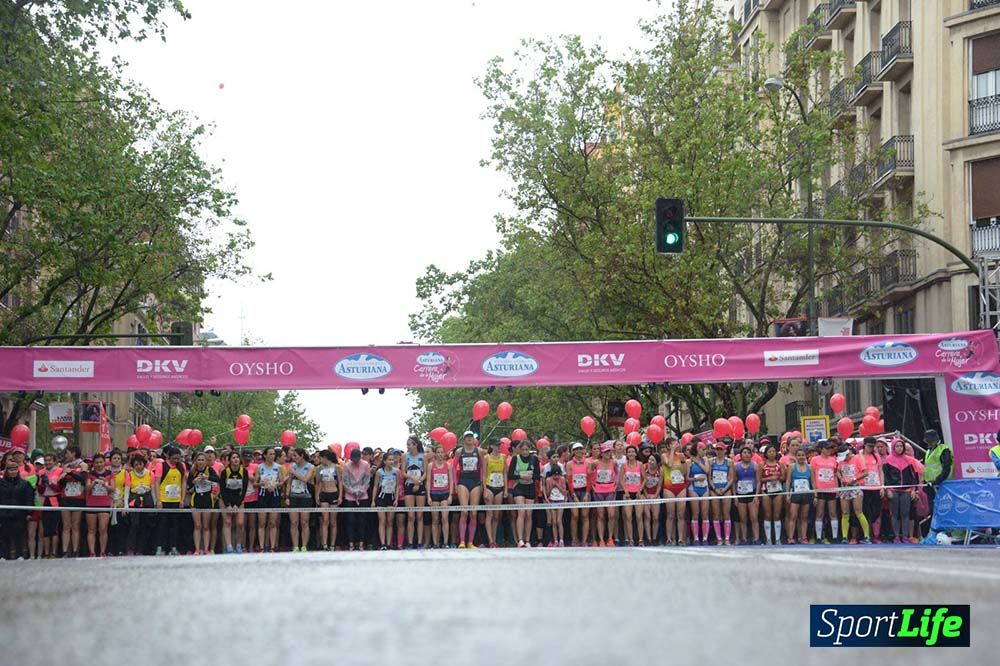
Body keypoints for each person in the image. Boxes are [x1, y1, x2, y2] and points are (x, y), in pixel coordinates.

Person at [883, 439, 920, 544]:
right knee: (894, 514)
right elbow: (886, 477)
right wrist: (888, 490)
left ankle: (905, 536)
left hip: (906, 490)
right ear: (893, 448)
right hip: (893, 490)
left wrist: (914, 490)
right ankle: (896, 537)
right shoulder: (887, 460)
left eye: (901, 446)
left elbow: (914, 477)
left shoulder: (909, 460)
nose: (899, 448)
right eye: (897, 446)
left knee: (905, 514)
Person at [454, 431, 485, 549]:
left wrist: (482, 482)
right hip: (463, 481)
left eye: (471, 436)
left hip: (475, 482)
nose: (469, 438)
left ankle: (470, 542)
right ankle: (462, 541)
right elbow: (453, 468)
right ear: (464, 439)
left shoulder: (479, 451)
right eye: (467, 437)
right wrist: (455, 484)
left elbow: (483, 467)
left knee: (473, 513)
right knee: (464, 512)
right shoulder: (459, 451)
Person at [0, 455, 35, 559]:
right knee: (4, 536)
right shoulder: (1, 483)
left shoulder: (25, 484)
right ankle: (3, 556)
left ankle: (19, 555)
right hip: (4, 514)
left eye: (15, 470)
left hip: (19, 514)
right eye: (11, 470)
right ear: (6, 471)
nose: (13, 472)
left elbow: (29, 498)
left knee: (19, 535)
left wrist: (29, 512)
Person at [508, 439, 540, 548]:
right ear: (520, 450)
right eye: (523, 450)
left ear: (530, 450)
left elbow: (538, 475)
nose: (525, 452)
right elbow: (510, 475)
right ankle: (520, 540)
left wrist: (531, 476)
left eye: (527, 450)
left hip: (530, 487)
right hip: (519, 487)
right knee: (521, 512)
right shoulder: (515, 459)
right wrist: (521, 476)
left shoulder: (534, 459)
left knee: (528, 514)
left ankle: (528, 540)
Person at [836, 443, 871, 544]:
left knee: (858, 512)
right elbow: (837, 471)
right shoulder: (841, 461)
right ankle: (844, 536)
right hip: (845, 488)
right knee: (845, 513)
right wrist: (841, 478)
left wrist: (854, 479)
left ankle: (866, 536)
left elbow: (865, 472)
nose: (844, 459)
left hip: (855, 487)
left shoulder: (857, 458)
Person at [156, 446, 187, 556]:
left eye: (178, 459)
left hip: (176, 499)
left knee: (174, 525)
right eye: (174, 458)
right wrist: (158, 500)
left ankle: (173, 547)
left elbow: (183, 482)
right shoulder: (161, 465)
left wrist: (182, 499)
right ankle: (160, 547)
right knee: (162, 524)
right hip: (164, 499)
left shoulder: (181, 466)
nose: (176, 461)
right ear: (168, 457)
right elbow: (157, 483)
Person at [187, 452, 220, 555]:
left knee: (206, 526)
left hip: (207, 499)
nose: (200, 462)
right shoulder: (193, 471)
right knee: (197, 525)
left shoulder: (209, 470)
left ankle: (206, 549)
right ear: (196, 461)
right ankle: (197, 549)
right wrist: (194, 480)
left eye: (202, 460)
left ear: (206, 461)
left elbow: (217, 479)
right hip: (196, 499)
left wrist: (207, 478)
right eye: (199, 460)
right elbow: (188, 484)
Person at [254, 447, 285, 553]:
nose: (272, 456)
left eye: (273, 454)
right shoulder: (259, 467)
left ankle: (272, 547)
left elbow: (281, 482)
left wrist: (275, 484)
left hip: (274, 495)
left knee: (272, 522)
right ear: (265, 455)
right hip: (262, 495)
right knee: (262, 522)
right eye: (270, 454)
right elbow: (255, 483)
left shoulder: (279, 467)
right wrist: (261, 484)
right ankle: (262, 547)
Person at [125, 453, 156, 555]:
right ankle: (130, 549)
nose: (138, 466)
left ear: (144, 464)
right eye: (136, 465)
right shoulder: (130, 474)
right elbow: (127, 491)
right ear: (133, 465)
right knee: (134, 525)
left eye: (140, 464)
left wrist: (155, 503)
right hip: (134, 500)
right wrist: (126, 505)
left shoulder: (150, 473)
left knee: (145, 526)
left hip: (147, 500)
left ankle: (140, 550)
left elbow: (153, 490)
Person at [59, 445, 87, 557]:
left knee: (75, 526)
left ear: (74, 453)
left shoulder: (83, 465)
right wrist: (64, 474)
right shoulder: (65, 466)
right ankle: (65, 551)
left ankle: (75, 550)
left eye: (68, 453)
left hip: (78, 497)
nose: (66, 455)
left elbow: (83, 478)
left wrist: (70, 473)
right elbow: (60, 483)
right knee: (66, 526)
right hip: (66, 497)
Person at [342, 446, 372, 551]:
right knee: (350, 520)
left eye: (357, 459)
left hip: (363, 495)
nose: (355, 461)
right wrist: (352, 492)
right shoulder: (346, 466)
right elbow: (345, 481)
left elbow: (367, 480)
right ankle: (351, 543)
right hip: (350, 496)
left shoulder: (366, 465)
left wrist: (361, 492)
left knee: (362, 520)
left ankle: (361, 543)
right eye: (353, 459)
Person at [84, 453, 114, 557]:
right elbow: (86, 488)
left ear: (104, 463)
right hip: (91, 503)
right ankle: (92, 552)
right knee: (91, 529)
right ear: (93, 464)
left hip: (104, 503)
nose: (99, 464)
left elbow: (112, 489)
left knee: (103, 528)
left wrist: (105, 484)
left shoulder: (109, 473)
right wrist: (94, 483)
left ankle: (102, 551)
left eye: (101, 462)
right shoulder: (90, 474)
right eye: (96, 462)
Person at [810, 440, 840, 544]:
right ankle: (818, 537)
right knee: (820, 513)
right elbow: (813, 477)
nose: (828, 450)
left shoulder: (833, 460)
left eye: (830, 448)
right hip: (820, 489)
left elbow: (835, 475)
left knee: (833, 513)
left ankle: (834, 537)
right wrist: (815, 492)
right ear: (821, 449)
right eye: (826, 448)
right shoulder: (814, 460)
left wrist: (837, 489)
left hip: (831, 489)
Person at [589, 441, 618, 548]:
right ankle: (601, 539)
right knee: (600, 515)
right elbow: (590, 475)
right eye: (605, 452)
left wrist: (615, 486)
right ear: (601, 453)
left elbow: (617, 474)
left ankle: (610, 538)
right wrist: (593, 486)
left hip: (610, 490)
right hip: (598, 490)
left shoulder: (613, 462)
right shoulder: (595, 463)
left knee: (611, 515)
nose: (607, 454)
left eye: (609, 452)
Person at [373, 449, 403, 550]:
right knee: (382, 521)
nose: (391, 461)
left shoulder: (396, 472)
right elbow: (376, 487)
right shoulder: (379, 472)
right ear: (385, 461)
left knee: (390, 521)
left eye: (392, 460)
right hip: (381, 498)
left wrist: (396, 499)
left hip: (391, 498)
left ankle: (388, 543)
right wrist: (373, 501)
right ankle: (383, 543)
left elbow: (397, 486)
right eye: (389, 460)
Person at [921, 429, 952, 524]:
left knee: (942, 508)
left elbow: (946, 468)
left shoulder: (943, 450)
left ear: (935, 440)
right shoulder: (928, 451)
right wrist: (924, 481)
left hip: (940, 485)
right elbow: (927, 468)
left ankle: (944, 529)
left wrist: (937, 481)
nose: (928, 443)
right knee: (932, 508)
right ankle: (935, 530)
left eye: (930, 441)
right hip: (930, 485)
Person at [219, 452, 248, 554]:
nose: (236, 459)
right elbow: (222, 490)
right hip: (226, 499)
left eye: (237, 458)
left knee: (240, 523)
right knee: (227, 522)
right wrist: (228, 505)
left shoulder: (244, 472)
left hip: (239, 500)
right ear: (229, 460)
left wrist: (237, 504)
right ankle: (229, 546)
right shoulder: (224, 472)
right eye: (233, 458)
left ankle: (239, 545)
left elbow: (244, 490)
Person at [287, 448, 315, 553]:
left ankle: (304, 546)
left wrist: (294, 472)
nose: (294, 458)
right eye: (293, 456)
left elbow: (306, 479)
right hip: (294, 497)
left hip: (305, 497)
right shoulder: (292, 467)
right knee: (294, 522)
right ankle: (295, 546)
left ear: (302, 455)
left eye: (295, 456)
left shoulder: (310, 466)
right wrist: (287, 496)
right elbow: (289, 482)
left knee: (304, 522)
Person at [661, 441, 688, 546]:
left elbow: (684, 472)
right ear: (668, 446)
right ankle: (669, 538)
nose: (676, 445)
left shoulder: (680, 455)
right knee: (671, 514)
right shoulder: (664, 455)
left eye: (677, 443)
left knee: (681, 514)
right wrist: (672, 450)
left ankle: (680, 538)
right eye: (673, 444)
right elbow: (669, 464)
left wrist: (683, 462)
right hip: (669, 487)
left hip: (680, 486)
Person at [36, 452, 62, 558]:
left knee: (54, 528)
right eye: (46, 460)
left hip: (56, 500)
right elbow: (40, 490)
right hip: (45, 500)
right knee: (46, 528)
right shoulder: (41, 472)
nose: (47, 462)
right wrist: (42, 483)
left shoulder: (59, 471)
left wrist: (50, 483)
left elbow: (59, 488)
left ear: (55, 461)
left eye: (50, 460)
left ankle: (54, 552)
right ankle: (47, 553)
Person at [785, 447, 813, 544]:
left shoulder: (809, 467)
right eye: (799, 455)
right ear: (796, 457)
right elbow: (788, 481)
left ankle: (803, 537)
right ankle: (791, 537)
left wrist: (815, 495)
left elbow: (812, 482)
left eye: (803, 455)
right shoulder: (792, 467)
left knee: (804, 516)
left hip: (806, 494)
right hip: (795, 494)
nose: (801, 457)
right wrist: (788, 494)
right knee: (793, 516)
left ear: (805, 456)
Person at [402, 436, 427, 549]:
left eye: (409, 444)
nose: (407, 447)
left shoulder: (423, 456)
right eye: (407, 444)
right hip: (409, 485)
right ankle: (410, 542)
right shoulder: (405, 456)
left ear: (415, 445)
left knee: (420, 515)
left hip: (420, 485)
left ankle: (420, 542)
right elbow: (403, 472)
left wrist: (419, 482)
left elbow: (425, 473)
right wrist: (413, 480)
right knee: (411, 515)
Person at [426, 444, 453, 548]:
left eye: (442, 452)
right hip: (434, 493)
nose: (440, 454)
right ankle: (435, 543)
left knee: (445, 518)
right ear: (435, 454)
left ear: (444, 454)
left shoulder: (448, 465)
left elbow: (451, 481)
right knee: (435, 519)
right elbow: (428, 481)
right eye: (438, 452)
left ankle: (445, 542)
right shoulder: (430, 466)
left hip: (445, 493)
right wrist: (428, 496)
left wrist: (450, 495)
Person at [733, 446, 761, 545]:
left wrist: (756, 495)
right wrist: (735, 496)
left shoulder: (755, 466)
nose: (746, 454)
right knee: (742, 518)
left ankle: (756, 538)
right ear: (740, 455)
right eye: (744, 452)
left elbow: (758, 481)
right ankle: (744, 538)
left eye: (748, 453)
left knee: (754, 517)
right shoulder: (736, 466)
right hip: (740, 494)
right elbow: (733, 482)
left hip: (752, 493)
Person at [685, 441, 711, 546]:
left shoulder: (705, 460)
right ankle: (696, 538)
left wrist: (698, 461)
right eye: (703, 449)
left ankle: (705, 538)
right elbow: (686, 478)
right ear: (697, 449)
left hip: (704, 487)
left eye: (705, 449)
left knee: (705, 513)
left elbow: (707, 470)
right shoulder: (688, 462)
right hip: (694, 487)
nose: (704, 451)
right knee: (695, 513)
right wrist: (695, 479)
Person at [316, 450, 342, 551]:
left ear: (325, 457)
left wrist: (340, 496)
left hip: (334, 493)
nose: (319, 459)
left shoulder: (337, 467)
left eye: (320, 457)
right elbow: (318, 483)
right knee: (324, 520)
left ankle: (332, 544)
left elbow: (340, 482)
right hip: (324, 494)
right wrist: (317, 496)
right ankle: (324, 544)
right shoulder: (319, 468)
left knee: (333, 521)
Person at [483, 438, 507, 548]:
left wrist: (505, 489)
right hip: (489, 486)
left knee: (496, 515)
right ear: (491, 446)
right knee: (490, 514)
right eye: (496, 445)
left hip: (499, 486)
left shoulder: (503, 457)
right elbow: (483, 475)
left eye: (499, 445)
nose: (499, 447)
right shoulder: (486, 458)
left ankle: (494, 539)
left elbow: (505, 474)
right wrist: (484, 490)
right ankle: (490, 540)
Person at [709, 442, 734, 545]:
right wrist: (714, 489)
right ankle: (719, 538)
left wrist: (725, 489)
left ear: (724, 450)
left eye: (720, 449)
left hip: (725, 488)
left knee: (726, 513)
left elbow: (731, 478)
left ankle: (727, 538)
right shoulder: (711, 461)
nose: (718, 451)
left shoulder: (729, 462)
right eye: (717, 449)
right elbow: (709, 477)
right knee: (716, 513)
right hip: (715, 489)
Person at [567, 442, 591, 547]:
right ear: (573, 452)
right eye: (576, 449)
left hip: (585, 490)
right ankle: (574, 539)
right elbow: (569, 480)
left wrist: (587, 493)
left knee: (585, 516)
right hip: (574, 491)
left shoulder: (588, 463)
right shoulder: (569, 464)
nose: (579, 451)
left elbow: (589, 479)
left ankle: (584, 540)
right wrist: (573, 495)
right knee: (575, 516)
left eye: (580, 449)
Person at [759, 443, 784, 545]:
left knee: (777, 514)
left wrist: (777, 478)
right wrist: (769, 478)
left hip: (777, 490)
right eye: (770, 451)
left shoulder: (780, 464)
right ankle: (768, 539)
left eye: (774, 451)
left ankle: (777, 539)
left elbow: (784, 477)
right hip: (766, 490)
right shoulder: (762, 465)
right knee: (767, 514)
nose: (772, 453)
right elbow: (759, 479)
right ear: (766, 454)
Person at [619, 445, 643, 547]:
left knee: (638, 517)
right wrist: (625, 491)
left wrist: (640, 490)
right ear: (627, 454)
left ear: (636, 453)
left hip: (638, 493)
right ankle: (630, 540)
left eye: (633, 452)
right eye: (629, 452)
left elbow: (644, 479)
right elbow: (620, 480)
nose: (631, 454)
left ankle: (641, 540)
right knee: (628, 517)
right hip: (627, 493)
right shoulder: (624, 465)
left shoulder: (640, 464)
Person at [543, 459, 568, 547]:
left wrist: (557, 485)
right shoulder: (548, 480)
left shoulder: (562, 479)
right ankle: (555, 540)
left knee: (559, 520)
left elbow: (565, 492)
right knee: (553, 521)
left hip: (560, 500)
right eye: (554, 475)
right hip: (552, 500)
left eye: (558, 475)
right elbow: (547, 492)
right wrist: (552, 486)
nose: (556, 477)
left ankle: (561, 540)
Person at [241, 450, 259, 552]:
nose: (247, 461)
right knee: (242, 524)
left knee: (252, 524)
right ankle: (243, 545)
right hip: (242, 498)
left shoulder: (255, 467)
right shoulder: (238, 467)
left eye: (249, 459)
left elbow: (258, 481)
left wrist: (252, 479)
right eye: (245, 459)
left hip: (253, 497)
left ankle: (251, 546)